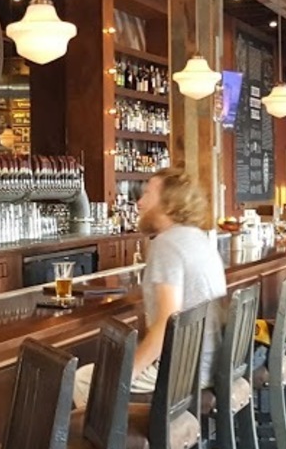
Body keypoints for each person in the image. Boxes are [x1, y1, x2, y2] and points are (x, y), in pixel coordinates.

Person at [74, 167, 226, 408]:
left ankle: (121, 435)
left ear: (169, 204)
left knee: (83, 380)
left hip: (184, 372)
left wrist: (127, 373)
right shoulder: (197, 238)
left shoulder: (167, 244)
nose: (140, 203)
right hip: (208, 364)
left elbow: (167, 324)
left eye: (147, 194)